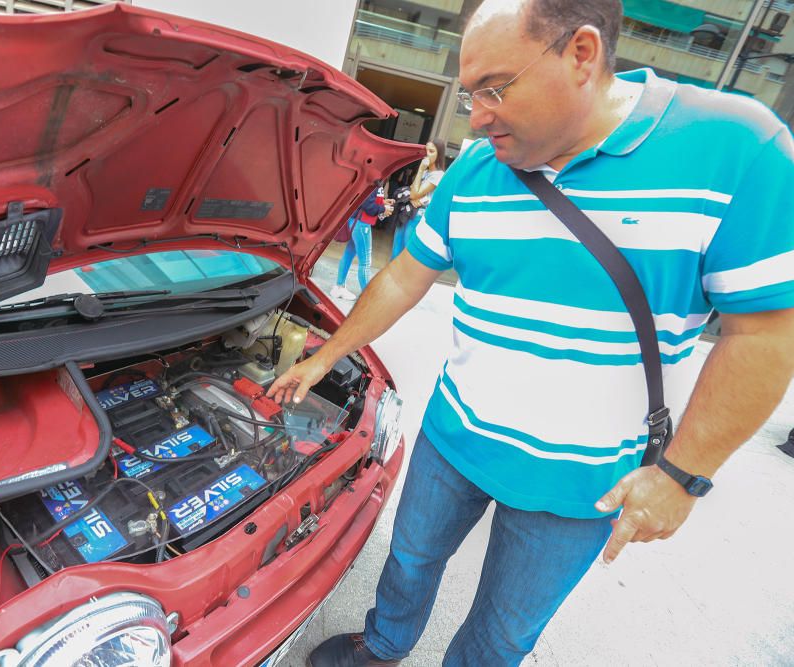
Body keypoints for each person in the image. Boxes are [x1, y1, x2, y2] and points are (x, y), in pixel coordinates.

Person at [268, 0, 794, 665]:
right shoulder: (473, 172)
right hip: (453, 439)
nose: (476, 115)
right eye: (469, 95)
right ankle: (381, 645)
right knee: (408, 558)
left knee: (504, 630)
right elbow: (405, 276)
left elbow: (765, 333)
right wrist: (326, 357)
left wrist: (683, 475)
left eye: (495, 88)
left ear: (581, 54)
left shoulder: (737, 149)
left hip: (582, 483)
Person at [330, 186, 395, 301]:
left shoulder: (376, 179)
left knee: (348, 255)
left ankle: (339, 287)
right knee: (365, 262)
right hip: (362, 224)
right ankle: (368, 297)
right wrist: (383, 209)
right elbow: (368, 206)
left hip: (358, 222)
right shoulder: (375, 178)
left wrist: (383, 202)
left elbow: (368, 200)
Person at [391, 140, 446, 260]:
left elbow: (415, 194)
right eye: (426, 150)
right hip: (408, 212)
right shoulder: (426, 172)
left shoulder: (438, 175)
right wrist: (415, 195)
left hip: (418, 216)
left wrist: (420, 170)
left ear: (439, 154)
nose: (427, 154)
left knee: (408, 254)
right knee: (395, 252)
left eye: (431, 151)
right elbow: (412, 192)